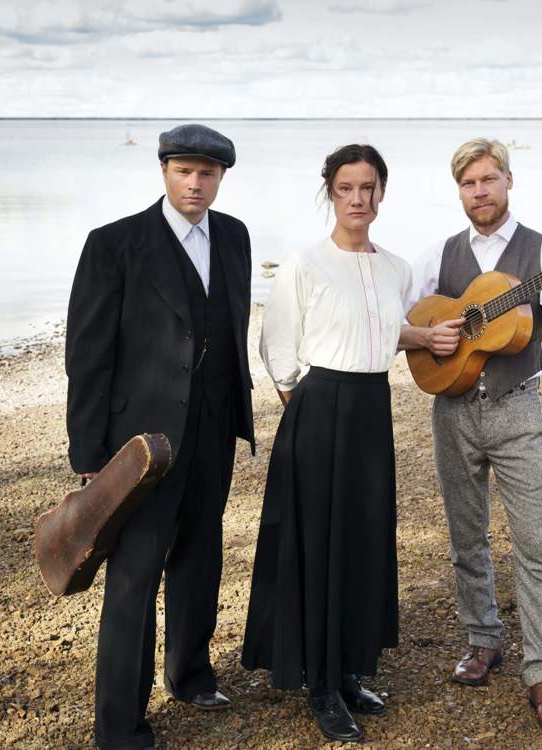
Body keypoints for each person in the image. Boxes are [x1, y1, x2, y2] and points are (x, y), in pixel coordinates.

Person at [65, 123, 255, 750]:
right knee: (134, 575)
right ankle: (119, 726)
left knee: (200, 555)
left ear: (222, 176)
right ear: (164, 172)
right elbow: (87, 354)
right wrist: (91, 454)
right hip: (141, 443)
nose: (196, 183)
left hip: (213, 428)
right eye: (184, 171)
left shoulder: (234, 236)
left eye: (207, 173)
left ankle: (191, 674)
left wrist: (238, 414)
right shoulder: (114, 244)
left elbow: (226, 329)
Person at [401, 138, 542, 734]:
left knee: (535, 546)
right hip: (452, 408)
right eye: (468, 183)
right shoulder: (439, 253)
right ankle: (483, 640)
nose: (479, 192)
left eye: (488, 179)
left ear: (508, 180)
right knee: (466, 536)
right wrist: (432, 337)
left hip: (518, 409)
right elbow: (408, 321)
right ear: (459, 190)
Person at [241, 144, 412, 743]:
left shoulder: (397, 268)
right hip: (318, 410)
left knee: (364, 538)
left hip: (373, 408)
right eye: (346, 188)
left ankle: (348, 672)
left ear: (381, 193)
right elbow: (278, 348)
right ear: (330, 193)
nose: (358, 198)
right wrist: (305, 409)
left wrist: (435, 335)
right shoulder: (304, 263)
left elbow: (388, 331)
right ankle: (319, 687)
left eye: (368, 187)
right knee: (318, 542)